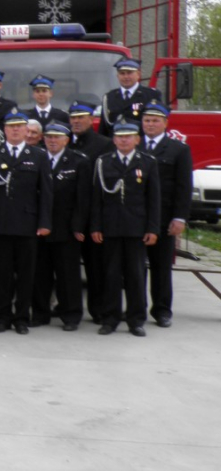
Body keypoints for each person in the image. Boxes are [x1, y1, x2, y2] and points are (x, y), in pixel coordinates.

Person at [0, 111, 53, 334]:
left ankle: (21, 317)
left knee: (26, 275)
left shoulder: (38, 155)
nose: (15, 130)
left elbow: (46, 192)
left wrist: (44, 222)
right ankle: (3, 316)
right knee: (1, 274)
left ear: (26, 130)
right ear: (4, 130)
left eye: (19, 126)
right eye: (11, 126)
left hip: (27, 224)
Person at [90, 122, 160, 336]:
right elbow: (96, 198)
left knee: (135, 276)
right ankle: (110, 319)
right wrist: (96, 226)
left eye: (128, 136)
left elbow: (153, 199)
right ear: (114, 140)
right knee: (110, 275)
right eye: (119, 136)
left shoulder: (147, 162)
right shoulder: (103, 162)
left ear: (137, 139)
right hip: (110, 227)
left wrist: (152, 228)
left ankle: (136, 320)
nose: (123, 140)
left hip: (136, 228)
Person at [31, 122, 89, 331]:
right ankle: (40, 314)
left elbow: (83, 198)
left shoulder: (79, 161)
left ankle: (71, 315)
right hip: (39, 227)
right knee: (40, 274)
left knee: (68, 276)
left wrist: (78, 227)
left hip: (66, 228)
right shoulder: (36, 158)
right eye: (49, 137)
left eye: (57, 137)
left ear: (67, 140)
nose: (52, 141)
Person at [140, 103, 193, 327]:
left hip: (164, 218)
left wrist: (180, 217)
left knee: (161, 267)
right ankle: (136, 309)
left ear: (165, 123)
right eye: (147, 120)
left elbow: (183, 186)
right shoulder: (133, 145)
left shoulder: (178, 149)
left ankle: (162, 310)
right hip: (136, 217)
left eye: (155, 121)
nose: (150, 124)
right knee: (135, 268)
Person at [68, 102, 112, 321]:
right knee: (68, 269)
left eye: (81, 117)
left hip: (92, 216)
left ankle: (99, 310)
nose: (76, 121)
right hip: (68, 217)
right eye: (73, 118)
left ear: (91, 119)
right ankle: (69, 308)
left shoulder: (104, 144)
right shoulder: (64, 142)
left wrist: (97, 221)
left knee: (95, 268)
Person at [101, 58, 162, 133]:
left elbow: (159, 124)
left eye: (129, 73)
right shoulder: (109, 97)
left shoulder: (151, 95)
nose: (126, 77)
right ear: (117, 76)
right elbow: (103, 128)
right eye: (122, 73)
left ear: (138, 74)